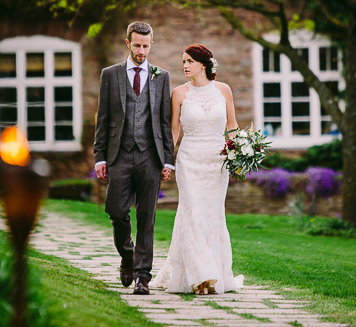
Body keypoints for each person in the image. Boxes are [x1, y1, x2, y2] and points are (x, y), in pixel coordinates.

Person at [150, 44, 244, 295]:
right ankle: (201, 277)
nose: (184, 66)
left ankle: (214, 273)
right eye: (183, 61)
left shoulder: (223, 90)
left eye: (189, 61)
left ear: (203, 64)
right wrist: (167, 161)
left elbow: (232, 126)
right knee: (192, 214)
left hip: (217, 162)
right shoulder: (179, 93)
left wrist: (241, 153)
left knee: (212, 216)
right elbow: (173, 131)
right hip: (189, 161)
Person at [93, 21, 175, 295]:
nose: (141, 50)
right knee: (116, 212)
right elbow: (102, 119)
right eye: (137, 45)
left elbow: (165, 122)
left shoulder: (160, 76)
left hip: (150, 157)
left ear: (151, 44)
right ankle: (127, 255)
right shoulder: (110, 74)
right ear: (127, 43)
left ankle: (142, 276)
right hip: (119, 155)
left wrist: (168, 159)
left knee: (147, 217)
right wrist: (99, 157)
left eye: (146, 45)